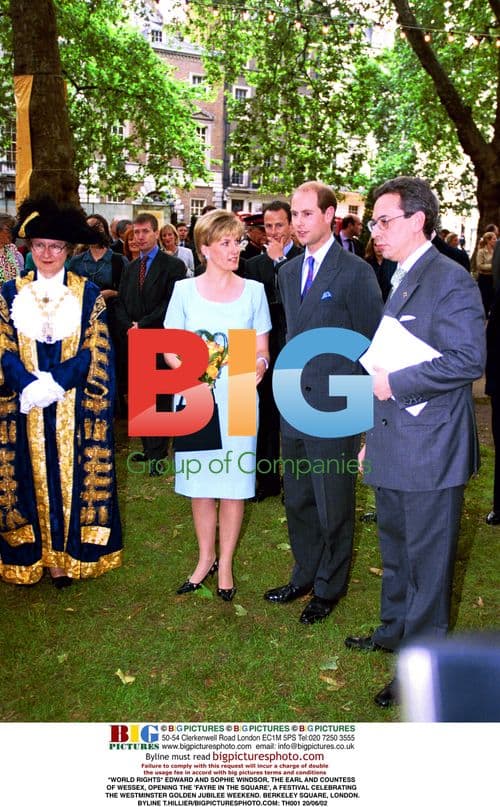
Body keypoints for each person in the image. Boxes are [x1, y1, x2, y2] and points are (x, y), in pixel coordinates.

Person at [345, 176, 485, 708]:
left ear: (416, 221)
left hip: (430, 449)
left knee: (428, 563)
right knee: (397, 551)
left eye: (384, 221)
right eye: (375, 222)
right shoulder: (403, 274)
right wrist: (369, 438)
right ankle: (392, 631)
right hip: (394, 440)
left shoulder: (449, 279)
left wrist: (395, 385)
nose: (375, 231)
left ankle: (421, 667)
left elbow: (468, 360)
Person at [264, 181, 383, 625]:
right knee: (297, 498)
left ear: (330, 216)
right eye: (294, 214)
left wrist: (368, 420)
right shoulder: (288, 272)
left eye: (306, 214)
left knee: (333, 502)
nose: (297, 222)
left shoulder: (355, 272)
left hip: (337, 406)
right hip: (294, 401)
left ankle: (330, 587)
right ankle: (304, 573)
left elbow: (372, 347)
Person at [0, 194, 122, 588]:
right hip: (24, 405)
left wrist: (56, 381)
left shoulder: (88, 294)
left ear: (67, 250)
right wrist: (26, 384)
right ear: (29, 249)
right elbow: (1, 345)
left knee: (69, 476)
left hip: (72, 403)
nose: (47, 253)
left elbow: (97, 347)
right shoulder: (7, 293)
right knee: (28, 476)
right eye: (39, 246)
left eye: (55, 246)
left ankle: (66, 558)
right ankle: (36, 556)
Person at [164, 209, 271, 601]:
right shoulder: (184, 290)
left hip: (240, 393)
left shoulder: (255, 291)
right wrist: (195, 372)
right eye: (225, 242)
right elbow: (171, 347)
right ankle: (204, 556)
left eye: (238, 241)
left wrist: (258, 365)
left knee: (234, 484)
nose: (235, 249)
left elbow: (261, 349)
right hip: (194, 394)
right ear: (205, 247)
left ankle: (225, 563)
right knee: (201, 485)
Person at [114, 213, 186, 473]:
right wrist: (129, 327)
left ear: (156, 233)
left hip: (160, 337)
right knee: (142, 398)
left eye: (145, 231)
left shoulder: (173, 266)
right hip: (135, 338)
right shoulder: (131, 267)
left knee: (162, 398)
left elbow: (170, 303)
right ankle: (149, 450)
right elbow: (120, 301)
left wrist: (142, 324)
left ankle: (159, 455)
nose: (139, 237)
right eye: (136, 232)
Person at [245, 200, 303, 500]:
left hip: (295, 347)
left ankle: (294, 484)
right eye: (268, 226)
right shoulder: (252, 265)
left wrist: (280, 262)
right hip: (261, 350)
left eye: (279, 225)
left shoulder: (305, 260)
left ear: (291, 226)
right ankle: (266, 481)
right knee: (263, 417)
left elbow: (294, 302)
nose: (273, 232)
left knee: (293, 418)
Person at [364, 236, 397, 301]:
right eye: (376, 245)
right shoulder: (367, 263)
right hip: (372, 300)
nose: (378, 248)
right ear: (372, 246)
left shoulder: (393, 262)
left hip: (389, 300)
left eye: (381, 245)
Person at [476, 231, 497, 316]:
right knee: (484, 299)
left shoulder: (496, 251)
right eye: (494, 239)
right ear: (488, 240)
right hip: (484, 278)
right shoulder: (481, 251)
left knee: (492, 299)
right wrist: (493, 266)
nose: (496, 241)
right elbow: (479, 265)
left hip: (493, 278)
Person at [0, 214, 24, 284]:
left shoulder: (13, 250)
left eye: (12, 230)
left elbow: (19, 275)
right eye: (8, 230)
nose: (11, 233)